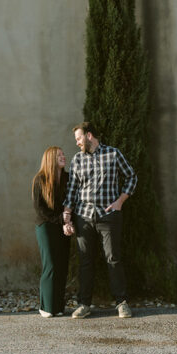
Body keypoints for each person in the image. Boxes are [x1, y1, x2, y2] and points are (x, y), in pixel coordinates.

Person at [62, 121, 137, 319]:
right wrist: (67, 216)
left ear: (89, 136)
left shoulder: (113, 154)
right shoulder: (77, 160)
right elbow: (71, 190)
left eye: (78, 138)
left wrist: (121, 201)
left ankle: (121, 303)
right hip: (83, 217)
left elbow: (131, 177)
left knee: (113, 259)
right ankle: (84, 304)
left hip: (108, 216)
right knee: (85, 262)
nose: (77, 142)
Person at [32, 146, 72, 317]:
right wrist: (61, 220)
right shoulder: (39, 180)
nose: (63, 157)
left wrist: (68, 222)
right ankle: (46, 307)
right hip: (46, 226)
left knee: (62, 265)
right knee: (51, 265)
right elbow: (40, 209)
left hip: (64, 226)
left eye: (63, 155)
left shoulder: (68, 178)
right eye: (59, 155)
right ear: (50, 159)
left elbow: (73, 201)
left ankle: (58, 307)